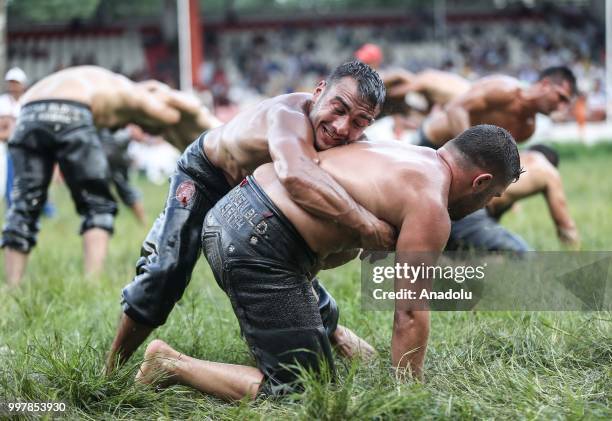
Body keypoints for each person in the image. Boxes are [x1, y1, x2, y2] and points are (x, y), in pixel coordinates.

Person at [134, 124, 522, 400]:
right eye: (491, 198)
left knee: (322, 314)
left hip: (238, 212)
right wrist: (410, 394)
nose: (483, 208)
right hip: (260, 244)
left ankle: (313, 332)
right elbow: (409, 312)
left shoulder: (403, 153)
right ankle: (170, 363)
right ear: (481, 182)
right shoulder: (431, 203)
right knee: (301, 389)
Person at [106, 61, 395, 373]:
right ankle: (110, 370)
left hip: (254, 196)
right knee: (168, 268)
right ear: (320, 91)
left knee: (283, 256)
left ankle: (331, 329)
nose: (341, 127)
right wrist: (365, 225)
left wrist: (378, 226)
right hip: (207, 176)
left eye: (359, 121)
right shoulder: (288, 115)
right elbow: (296, 176)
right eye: (338, 109)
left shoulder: (352, 143)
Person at [1, 66, 209, 286]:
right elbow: (173, 115)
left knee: (24, 203)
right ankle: (93, 282)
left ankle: (12, 286)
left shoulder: (96, 80)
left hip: (28, 112)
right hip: (71, 110)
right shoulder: (134, 93)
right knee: (97, 203)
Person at [417, 66, 577, 148]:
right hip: (429, 142)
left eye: (566, 103)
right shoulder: (503, 89)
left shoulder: (527, 129)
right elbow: (455, 109)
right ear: (545, 84)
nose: (561, 107)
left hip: (456, 161)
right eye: (561, 97)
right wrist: (470, 154)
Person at [99, 126, 147, 226]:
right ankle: (101, 224)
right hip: (104, 148)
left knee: (126, 191)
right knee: (98, 193)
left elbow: (138, 135)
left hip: (115, 153)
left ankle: (144, 224)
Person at [0, 67, 27, 204]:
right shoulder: (3, 101)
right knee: (9, 180)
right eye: (11, 83)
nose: (13, 86)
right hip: (8, 146)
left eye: (16, 83)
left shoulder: (28, 101)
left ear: (23, 84)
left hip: (27, 146)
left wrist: (10, 122)